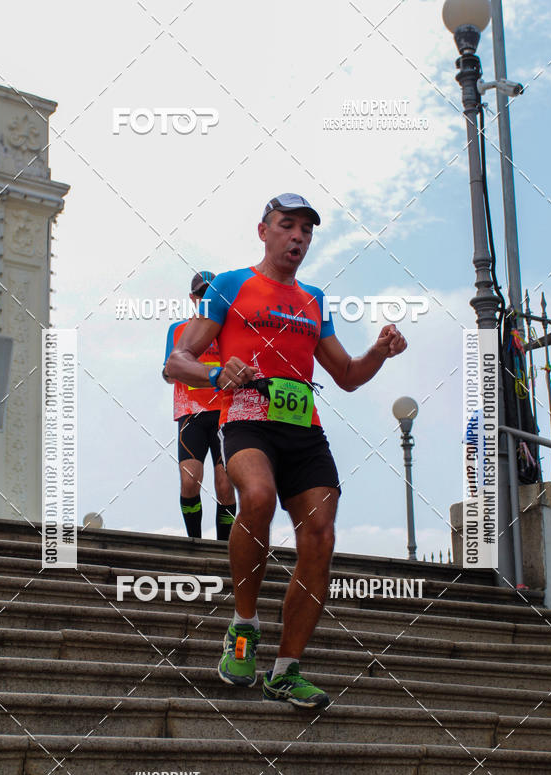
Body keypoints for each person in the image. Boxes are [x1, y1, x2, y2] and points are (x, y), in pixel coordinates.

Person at [164, 193, 407, 708]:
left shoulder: (314, 299)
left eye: (306, 230)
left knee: (320, 534)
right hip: (248, 418)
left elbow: (347, 376)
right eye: (287, 226)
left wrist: (379, 353)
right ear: (264, 231)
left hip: (303, 427)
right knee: (257, 495)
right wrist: (216, 372)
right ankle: (244, 626)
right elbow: (177, 362)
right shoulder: (230, 286)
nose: (297, 237)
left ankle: (286, 669)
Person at [162, 270, 236, 540]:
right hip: (191, 413)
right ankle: (194, 540)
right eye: (202, 294)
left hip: (225, 413)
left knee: (225, 486)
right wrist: (174, 373)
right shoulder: (179, 329)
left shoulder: (230, 329)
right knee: (190, 481)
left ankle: (223, 547)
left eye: (213, 294)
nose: (207, 298)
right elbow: (168, 372)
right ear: (193, 298)